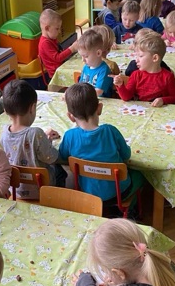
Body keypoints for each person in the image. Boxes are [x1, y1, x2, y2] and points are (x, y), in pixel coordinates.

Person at [58, 83, 143, 215]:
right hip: (119, 193)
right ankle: (131, 210)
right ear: (99, 108)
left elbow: (63, 156)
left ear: (70, 116)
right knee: (140, 174)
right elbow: (126, 155)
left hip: (87, 192)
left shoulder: (70, 136)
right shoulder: (111, 131)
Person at [1, 80, 66, 199]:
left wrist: (44, 139)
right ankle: (57, 200)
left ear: (5, 111)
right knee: (60, 171)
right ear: (32, 108)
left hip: (16, 190)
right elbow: (51, 157)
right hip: (40, 189)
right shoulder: (35, 133)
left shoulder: (5, 132)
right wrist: (47, 142)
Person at [114, 30, 175, 107]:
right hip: (140, 111)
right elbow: (126, 97)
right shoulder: (136, 75)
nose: (136, 60)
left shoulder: (168, 77)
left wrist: (163, 100)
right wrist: (120, 85)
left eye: (140, 56)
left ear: (155, 58)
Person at [38, 9, 78, 79]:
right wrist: (72, 48)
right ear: (47, 28)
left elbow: (60, 52)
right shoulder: (45, 43)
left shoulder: (51, 38)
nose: (59, 32)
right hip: (56, 74)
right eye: (57, 29)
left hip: (61, 67)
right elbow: (58, 58)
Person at [77, 28, 113, 97]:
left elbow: (98, 91)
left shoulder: (104, 70)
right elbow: (80, 86)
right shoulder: (85, 67)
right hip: (87, 99)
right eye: (81, 56)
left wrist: (81, 96)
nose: (83, 60)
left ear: (98, 53)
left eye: (86, 56)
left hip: (101, 101)